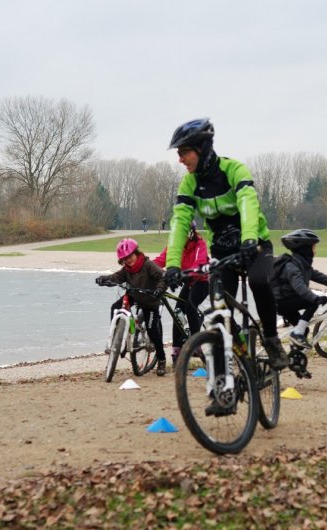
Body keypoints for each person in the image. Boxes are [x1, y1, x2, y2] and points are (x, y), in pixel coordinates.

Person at [163, 117, 289, 370]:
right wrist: (172, 265)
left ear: (202, 148)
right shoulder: (190, 183)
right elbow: (180, 222)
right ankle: (235, 352)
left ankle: (272, 340)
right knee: (219, 303)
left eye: (184, 152)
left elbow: (248, 204)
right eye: (178, 153)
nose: (180, 159)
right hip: (222, 249)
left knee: (259, 281)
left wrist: (249, 239)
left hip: (255, 244)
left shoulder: (234, 170)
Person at [95, 238, 169, 376]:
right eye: (124, 259)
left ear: (136, 252)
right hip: (134, 295)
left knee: (153, 330)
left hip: (150, 300)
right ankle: (118, 338)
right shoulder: (126, 270)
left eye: (130, 256)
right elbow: (116, 277)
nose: (128, 260)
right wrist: (104, 279)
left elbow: (163, 278)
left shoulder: (148, 265)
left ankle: (162, 359)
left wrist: (159, 290)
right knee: (115, 307)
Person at [271, 229, 327, 349]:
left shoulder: (303, 265)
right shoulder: (291, 266)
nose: (315, 250)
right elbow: (300, 287)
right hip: (281, 302)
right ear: (305, 249)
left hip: (288, 300)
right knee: (310, 303)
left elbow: (322, 278)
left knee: (303, 330)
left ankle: (296, 358)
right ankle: (296, 334)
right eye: (313, 247)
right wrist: (315, 298)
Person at [153, 219, 210, 364]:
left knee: (190, 307)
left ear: (191, 233)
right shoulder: (175, 246)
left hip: (202, 281)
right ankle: (176, 349)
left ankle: (196, 344)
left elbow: (199, 263)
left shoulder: (199, 245)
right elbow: (161, 259)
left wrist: (184, 275)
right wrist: (146, 268)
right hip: (187, 281)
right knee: (177, 312)